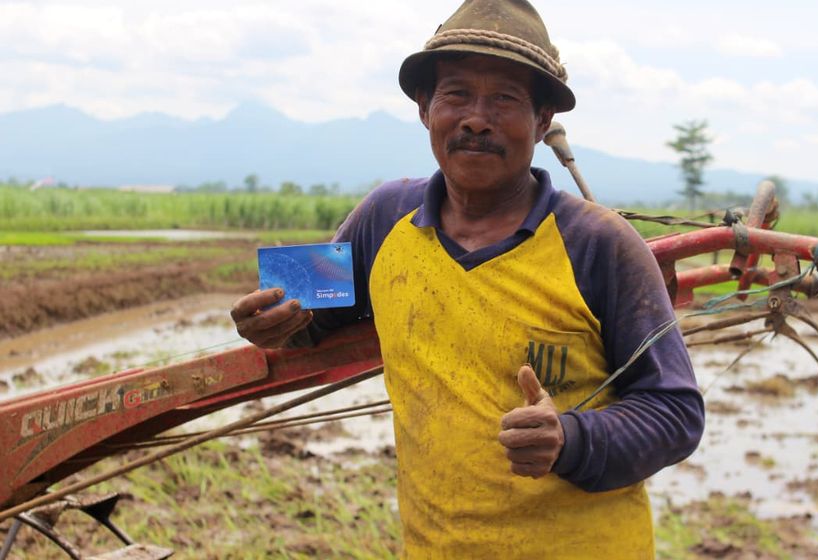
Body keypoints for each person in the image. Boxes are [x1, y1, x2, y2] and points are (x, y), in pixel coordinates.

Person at [231, 0, 704, 557]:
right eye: (456, 94)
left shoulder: (599, 244)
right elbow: (307, 314)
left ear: (542, 119)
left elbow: (675, 411)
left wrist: (571, 439)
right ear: (425, 109)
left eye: (504, 98)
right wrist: (269, 321)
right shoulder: (383, 219)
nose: (476, 118)